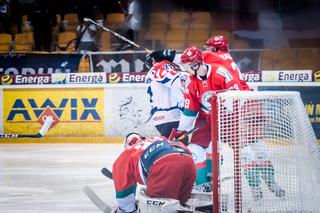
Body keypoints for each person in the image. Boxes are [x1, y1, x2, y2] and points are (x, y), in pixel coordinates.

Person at [112, 132, 196, 212]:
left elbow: (124, 192)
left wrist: (127, 210)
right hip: (188, 160)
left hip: (165, 166)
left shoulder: (125, 155)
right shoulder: (159, 138)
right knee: (180, 205)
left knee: (158, 208)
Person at [144, 51, 188, 139]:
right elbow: (179, 80)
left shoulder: (151, 73)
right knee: (180, 150)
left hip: (162, 118)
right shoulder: (160, 66)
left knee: (177, 148)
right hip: (171, 117)